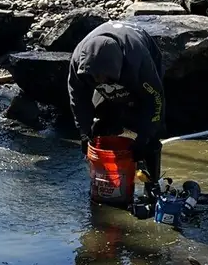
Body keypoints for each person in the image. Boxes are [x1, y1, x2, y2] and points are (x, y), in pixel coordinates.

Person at [68, 21, 166, 188]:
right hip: (107, 70)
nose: (100, 81)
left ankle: (152, 183)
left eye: (104, 78)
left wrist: (144, 138)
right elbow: (78, 99)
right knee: (101, 123)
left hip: (140, 59)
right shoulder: (78, 62)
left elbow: (155, 101)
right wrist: (84, 132)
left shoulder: (139, 62)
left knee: (150, 133)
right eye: (95, 78)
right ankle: (109, 177)